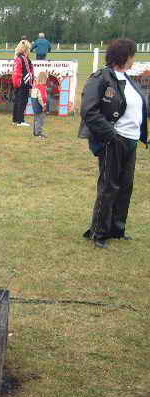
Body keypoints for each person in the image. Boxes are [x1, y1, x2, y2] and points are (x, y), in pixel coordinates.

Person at [79, 38, 147, 249]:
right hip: (113, 140)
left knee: (125, 186)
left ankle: (117, 229)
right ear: (124, 56)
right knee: (109, 186)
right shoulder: (101, 77)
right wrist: (110, 135)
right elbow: (89, 110)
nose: (134, 60)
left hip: (131, 140)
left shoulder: (129, 79)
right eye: (132, 55)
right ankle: (98, 232)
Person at [12, 39, 34, 126]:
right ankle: (20, 121)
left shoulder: (17, 57)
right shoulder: (24, 59)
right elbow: (28, 72)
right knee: (23, 101)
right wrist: (30, 84)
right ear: (26, 49)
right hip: (23, 83)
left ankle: (15, 119)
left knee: (17, 101)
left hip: (17, 82)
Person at [31, 71, 48, 138]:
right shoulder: (42, 87)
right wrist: (44, 105)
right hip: (40, 105)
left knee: (36, 119)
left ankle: (35, 132)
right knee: (40, 120)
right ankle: (39, 132)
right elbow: (42, 97)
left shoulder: (35, 86)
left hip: (35, 104)